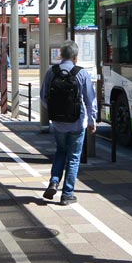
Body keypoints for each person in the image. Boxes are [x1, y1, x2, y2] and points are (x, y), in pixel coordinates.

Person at [40, 40, 96, 205]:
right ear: (75, 57)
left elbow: (44, 97)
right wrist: (92, 120)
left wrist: (55, 113)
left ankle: (54, 181)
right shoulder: (81, 73)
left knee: (60, 152)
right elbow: (90, 99)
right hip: (77, 123)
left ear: (61, 55)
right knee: (73, 157)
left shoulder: (52, 72)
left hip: (58, 123)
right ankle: (67, 194)